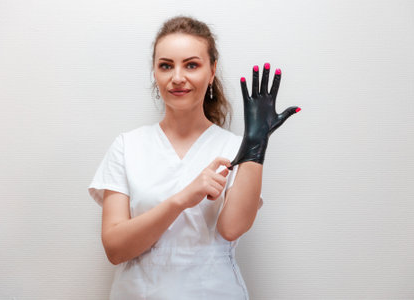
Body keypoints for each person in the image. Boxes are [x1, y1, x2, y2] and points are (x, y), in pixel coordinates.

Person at [88, 16, 299, 299]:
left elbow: (232, 228)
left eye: (191, 65)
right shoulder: (127, 146)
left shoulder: (236, 147)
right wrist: (182, 199)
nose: (177, 77)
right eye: (166, 65)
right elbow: (115, 249)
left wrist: (256, 145)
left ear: (211, 72)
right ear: (154, 72)